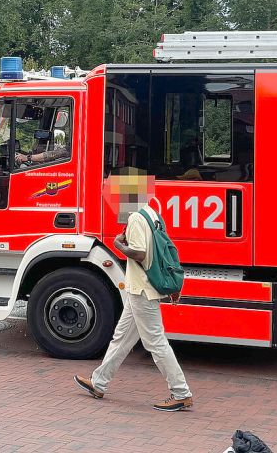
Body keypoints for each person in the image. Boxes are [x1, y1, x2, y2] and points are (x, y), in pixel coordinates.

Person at [74, 169, 193, 412]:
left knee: (156, 343)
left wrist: (118, 245)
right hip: (139, 289)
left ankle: (181, 393)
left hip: (142, 289)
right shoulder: (152, 213)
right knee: (121, 338)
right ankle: (99, 382)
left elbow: (140, 253)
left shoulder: (137, 218)